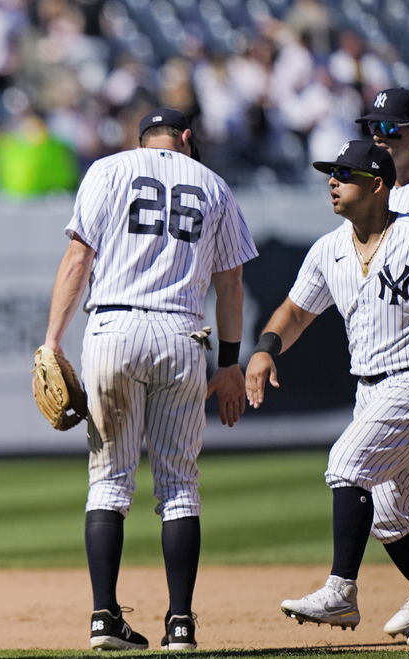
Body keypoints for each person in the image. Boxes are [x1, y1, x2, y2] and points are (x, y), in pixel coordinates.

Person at [36, 107, 257, 651]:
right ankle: (180, 623)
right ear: (186, 138)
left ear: (141, 140)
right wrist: (230, 362)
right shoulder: (214, 185)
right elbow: (230, 286)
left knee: (109, 481)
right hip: (183, 334)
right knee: (179, 485)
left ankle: (103, 618)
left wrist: (51, 341)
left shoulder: (107, 170)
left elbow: (76, 259)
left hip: (111, 328)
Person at [246, 140, 409, 637]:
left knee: (346, 464)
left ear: (377, 184)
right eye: (331, 172)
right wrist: (264, 349)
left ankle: (342, 592)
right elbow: (296, 311)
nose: (333, 180)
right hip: (369, 389)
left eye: (345, 173)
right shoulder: (329, 248)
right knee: (389, 517)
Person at [353, 88, 409, 641]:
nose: (380, 135)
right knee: (389, 509)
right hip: (391, 369)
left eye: (391, 128)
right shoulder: (379, 194)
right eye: (373, 126)